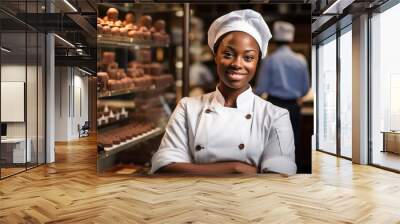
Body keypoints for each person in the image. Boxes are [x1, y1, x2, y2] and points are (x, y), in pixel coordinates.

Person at [150, 9, 296, 176]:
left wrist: (193, 170)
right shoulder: (187, 107)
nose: (237, 64)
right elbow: (165, 166)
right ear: (215, 56)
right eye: (228, 54)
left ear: (257, 62)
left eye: (248, 58)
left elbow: (278, 177)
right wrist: (236, 168)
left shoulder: (276, 115)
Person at [255, 21, 309, 165]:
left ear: (275, 40)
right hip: (293, 107)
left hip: (274, 105)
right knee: (293, 144)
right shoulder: (300, 60)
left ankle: (273, 177)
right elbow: (305, 89)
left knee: (272, 145)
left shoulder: (270, 60)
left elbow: (260, 89)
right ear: (291, 39)